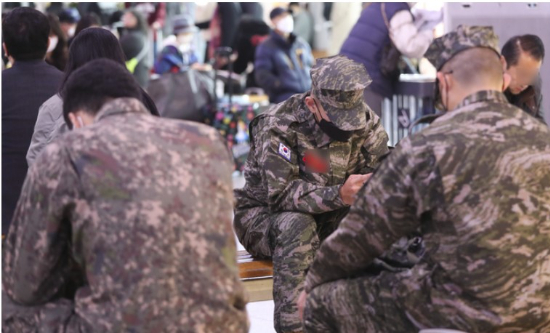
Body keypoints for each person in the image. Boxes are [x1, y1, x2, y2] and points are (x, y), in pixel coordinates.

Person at [299, 25, 550, 333]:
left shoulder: (429, 145)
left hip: (462, 313)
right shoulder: (542, 136)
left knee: (321, 302)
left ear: (443, 82)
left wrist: (312, 284)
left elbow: (359, 238)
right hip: (541, 311)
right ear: (503, 80)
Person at [2, 58, 249, 332]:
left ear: (75, 119)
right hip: (221, 323)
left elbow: (24, 283)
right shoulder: (207, 140)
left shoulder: (67, 152)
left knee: (12, 306)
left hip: (121, 326)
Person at [234, 55, 390, 333]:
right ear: (311, 104)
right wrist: (340, 195)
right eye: (338, 119)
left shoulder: (367, 123)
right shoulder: (279, 124)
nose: (346, 128)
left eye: (351, 119)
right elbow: (280, 196)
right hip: (264, 219)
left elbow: (380, 175)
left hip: (331, 214)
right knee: (298, 225)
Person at [26, 27, 160, 167]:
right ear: (118, 58)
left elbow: (36, 163)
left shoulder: (54, 106)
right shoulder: (139, 100)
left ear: (73, 62)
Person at [2, 7, 64, 234]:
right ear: (48, 43)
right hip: (54, 217)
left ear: (5, 48)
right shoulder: (70, 86)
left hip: (5, 215)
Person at [340, 2, 437, 116]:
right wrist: (429, 34)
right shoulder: (397, 8)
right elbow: (411, 46)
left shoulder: (377, 5)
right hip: (366, 82)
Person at [255, 7, 314, 104]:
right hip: (285, 100)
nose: (287, 19)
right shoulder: (266, 46)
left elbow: (312, 67)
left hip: (308, 98)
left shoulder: (301, 44)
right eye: (282, 17)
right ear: (273, 21)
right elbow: (262, 74)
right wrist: (279, 84)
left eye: (288, 16)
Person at [502, 34, 546, 124]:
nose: (525, 83)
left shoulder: (534, 85)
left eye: (532, 75)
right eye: (522, 74)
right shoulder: (485, 89)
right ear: (503, 64)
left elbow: (541, 126)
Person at [120, 9, 151, 87]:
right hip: (141, 78)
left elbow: (115, 48)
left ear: (136, 19)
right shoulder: (141, 35)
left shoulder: (133, 37)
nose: (124, 19)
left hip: (134, 79)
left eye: (129, 17)